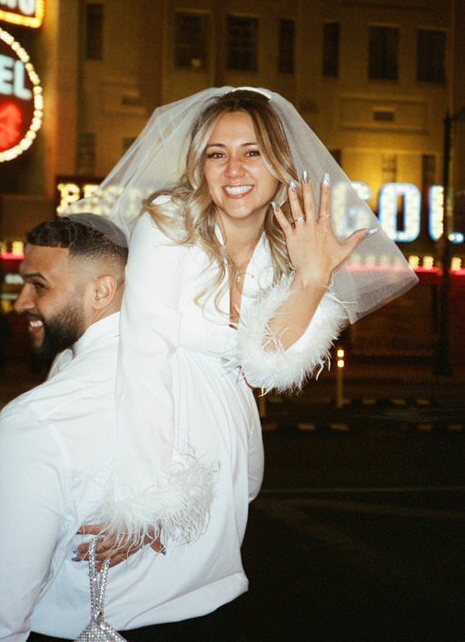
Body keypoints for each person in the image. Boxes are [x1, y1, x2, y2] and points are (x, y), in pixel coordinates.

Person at [68, 88, 418, 627]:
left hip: (224, 446)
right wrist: (141, 500)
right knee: (114, 603)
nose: (233, 168)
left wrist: (311, 278)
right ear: (200, 166)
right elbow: (143, 358)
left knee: (202, 605)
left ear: (280, 164)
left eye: (252, 152)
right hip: (135, 433)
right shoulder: (169, 225)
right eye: (216, 153)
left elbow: (265, 365)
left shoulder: (286, 246)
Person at [0, 212, 264, 642]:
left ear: (102, 290)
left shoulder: (39, 417)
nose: (20, 303)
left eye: (39, 285)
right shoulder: (221, 373)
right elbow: (246, 486)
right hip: (219, 622)